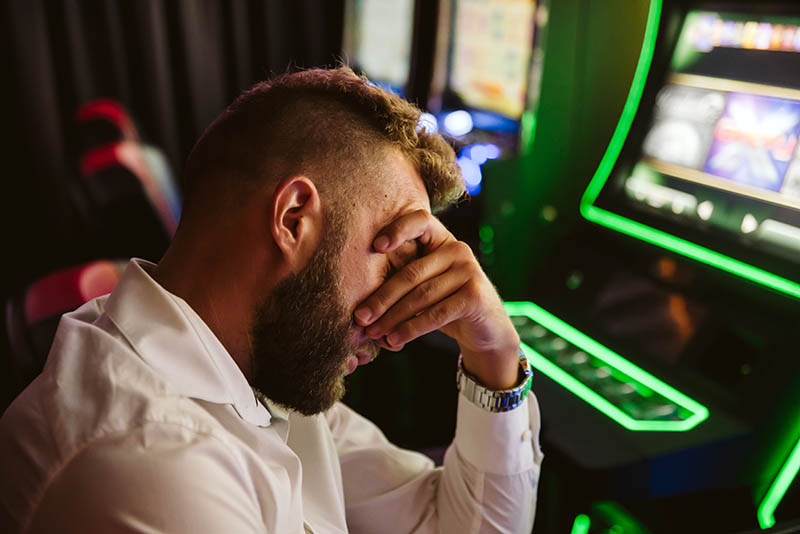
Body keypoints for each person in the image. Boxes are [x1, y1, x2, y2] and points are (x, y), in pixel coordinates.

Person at [0, 66, 543, 533]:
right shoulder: (153, 462)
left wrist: (493, 353)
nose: (397, 312)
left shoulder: (256, 368)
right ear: (292, 220)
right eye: (393, 255)